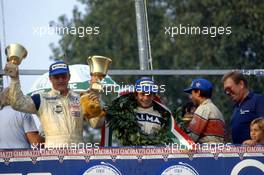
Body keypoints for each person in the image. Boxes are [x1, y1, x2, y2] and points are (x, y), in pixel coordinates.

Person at [4, 61, 104, 148]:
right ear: (50, 79)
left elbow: (97, 124)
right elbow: (17, 103)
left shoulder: (81, 98)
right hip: (52, 154)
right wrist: (14, 79)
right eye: (56, 77)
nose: (60, 80)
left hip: (78, 152)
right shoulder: (40, 99)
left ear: (69, 77)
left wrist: (97, 104)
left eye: (63, 76)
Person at [107, 77, 193, 146]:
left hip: (156, 159)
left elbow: (172, 135)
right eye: (142, 94)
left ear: (153, 96)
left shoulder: (163, 115)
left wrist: (184, 144)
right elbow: (104, 121)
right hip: (130, 158)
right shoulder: (124, 113)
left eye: (149, 94)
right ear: (136, 95)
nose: (146, 98)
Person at [222, 71, 264, 144]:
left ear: (241, 84)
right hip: (239, 153)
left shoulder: (258, 100)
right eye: (226, 91)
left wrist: (255, 143)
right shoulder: (236, 107)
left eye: (229, 88)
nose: (227, 93)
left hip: (256, 153)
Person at [184, 78, 225, 143]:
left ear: (198, 92)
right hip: (218, 151)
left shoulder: (203, 108)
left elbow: (191, 137)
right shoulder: (217, 111)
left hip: (207, 151)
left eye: (191, 93)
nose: (190, 97)